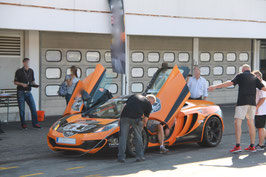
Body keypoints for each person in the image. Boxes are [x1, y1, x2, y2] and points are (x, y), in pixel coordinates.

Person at [208, 64, 266, 153]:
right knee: (251, 123)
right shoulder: (254, 77)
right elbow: (263, 88)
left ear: (243, 70)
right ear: (249, 70)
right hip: (252, 104)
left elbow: (229, 83)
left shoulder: (240, 75)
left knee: (237, 123)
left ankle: (238, 146)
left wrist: (215, 86)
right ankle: (252, 146)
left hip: (242, 103)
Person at [118, 94, 154, 163]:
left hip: (125, 117)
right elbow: (146, 119)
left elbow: (124, 106)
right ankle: (139, 156)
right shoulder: (148, 104)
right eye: (153, 103)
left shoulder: (134, 96)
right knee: (138, 137)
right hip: (137, 118)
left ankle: (121, 157)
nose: (152, 104)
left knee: (123, 137)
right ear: (151, 100)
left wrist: (120, 118)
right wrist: (143, 127)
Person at [14, 58, 41, 129]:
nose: (28, 64)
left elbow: (32, 81)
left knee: (33, 108)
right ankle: (23, 124)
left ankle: (35, 123)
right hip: (21, 92)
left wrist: (35, 85)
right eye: (27, 62)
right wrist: (22, 84)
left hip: (28, 92)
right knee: (22, 109)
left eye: (29, 62)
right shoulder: (19, 71)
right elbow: (15, 82)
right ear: (23, 63)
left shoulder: (31, 71)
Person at [252, 70, 266, 150]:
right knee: (261, 127)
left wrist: (256, 107)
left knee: (260, 127)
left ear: (260, 77)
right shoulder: (262, 83)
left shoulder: (261, 85)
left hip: (261, 110)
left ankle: (261, 145)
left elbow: (263, 98)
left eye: (257, 77)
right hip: (262, 109)